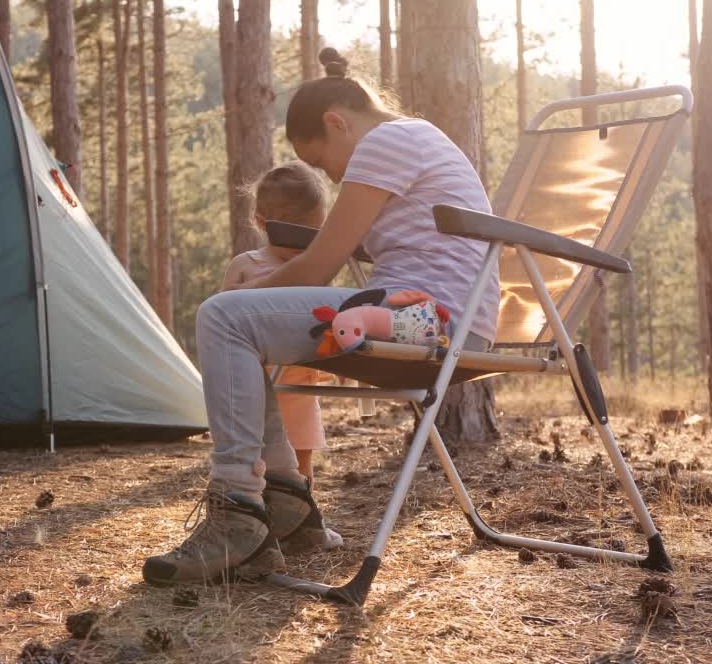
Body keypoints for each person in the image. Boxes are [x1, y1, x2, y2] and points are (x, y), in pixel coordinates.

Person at [142, 48, 500, 586]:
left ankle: (238, 509)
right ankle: (284, 500)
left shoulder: (386, 142)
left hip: (429, 319)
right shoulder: (414, 138)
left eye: (322, 160)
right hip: (421, 314)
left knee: (224, 318)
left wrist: (252, 290)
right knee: (237, 320)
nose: (328, 175)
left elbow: (323, 262)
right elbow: (335, 253)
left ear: (338, 123)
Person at [220, 161, 343, 551]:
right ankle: (259, 526)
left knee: (302, 463)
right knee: (258, 461)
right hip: (257, 386)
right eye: (292, 230)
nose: (303, 242)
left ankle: (305, 526)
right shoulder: (247, 265)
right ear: (261, 221)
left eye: (314, 232)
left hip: (301, 386)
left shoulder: (314, 268)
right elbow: (223, 319)